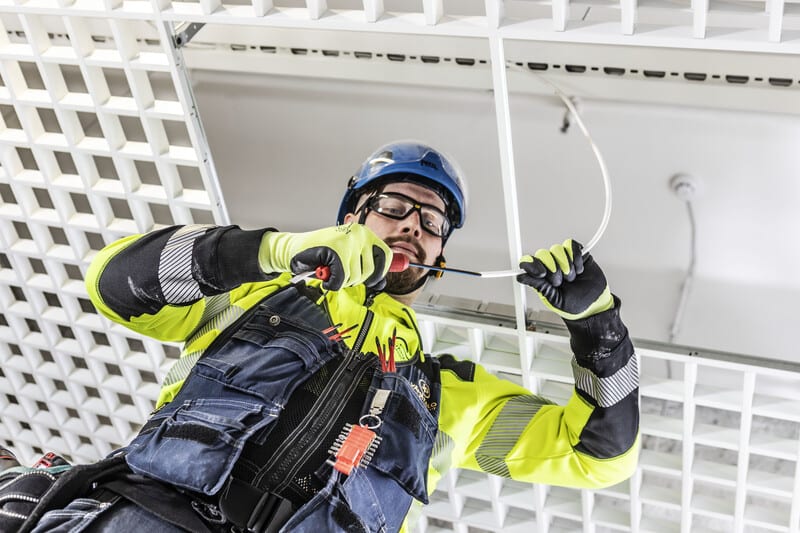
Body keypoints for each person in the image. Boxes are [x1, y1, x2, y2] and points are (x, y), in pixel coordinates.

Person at [21, 141, 639, 533]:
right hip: (153, 518)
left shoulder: (449, 396)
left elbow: (598, 458)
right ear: (352, 218)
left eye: (432, 222)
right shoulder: (253, 293)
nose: (413, 227)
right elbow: (116, 284)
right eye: (395, 206)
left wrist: (598, 323)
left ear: (439, 259)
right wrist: (274, 252)